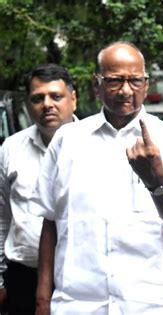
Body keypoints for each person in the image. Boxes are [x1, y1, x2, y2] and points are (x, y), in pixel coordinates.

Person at [31, 42, 163, 314]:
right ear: (96, 83)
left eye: (135, 80)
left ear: (146, 84)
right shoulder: (67, 140)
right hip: (79, 305)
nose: (126, 90)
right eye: (114, 81)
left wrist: (155, 181)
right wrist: (43, 298)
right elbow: (50, 220)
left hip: (152, 306)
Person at [0, 63, 77, 314]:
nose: (47, 104)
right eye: (38, 98)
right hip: (23, 277)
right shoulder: (11, 149)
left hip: (80, 277)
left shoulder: (95, 146)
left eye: (56, 96)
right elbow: (2, 218)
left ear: (73, 100)